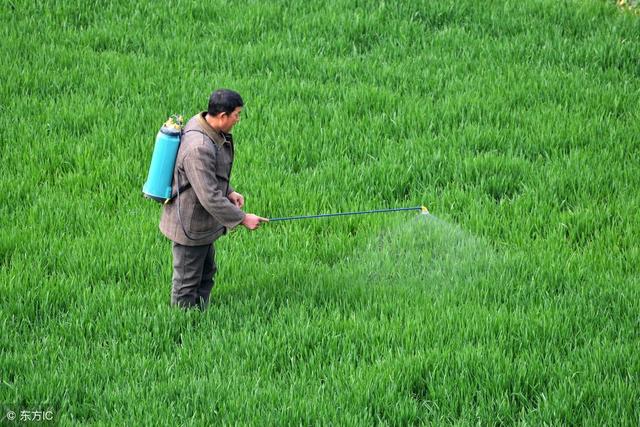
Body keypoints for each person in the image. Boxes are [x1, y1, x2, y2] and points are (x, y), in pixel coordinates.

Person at [160, 89, 268, 310]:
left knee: (206, 272)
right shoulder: (199, 147)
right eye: (236, 114)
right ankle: (181, 326)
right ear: (222, 116)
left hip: (201, 223)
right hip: (190, 226)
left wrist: (228, 191)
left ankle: (200, 315)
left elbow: (208, 176)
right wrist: (243, 218)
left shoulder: (204, 126)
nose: (238, 119)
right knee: (186, 282)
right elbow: (209, 196)